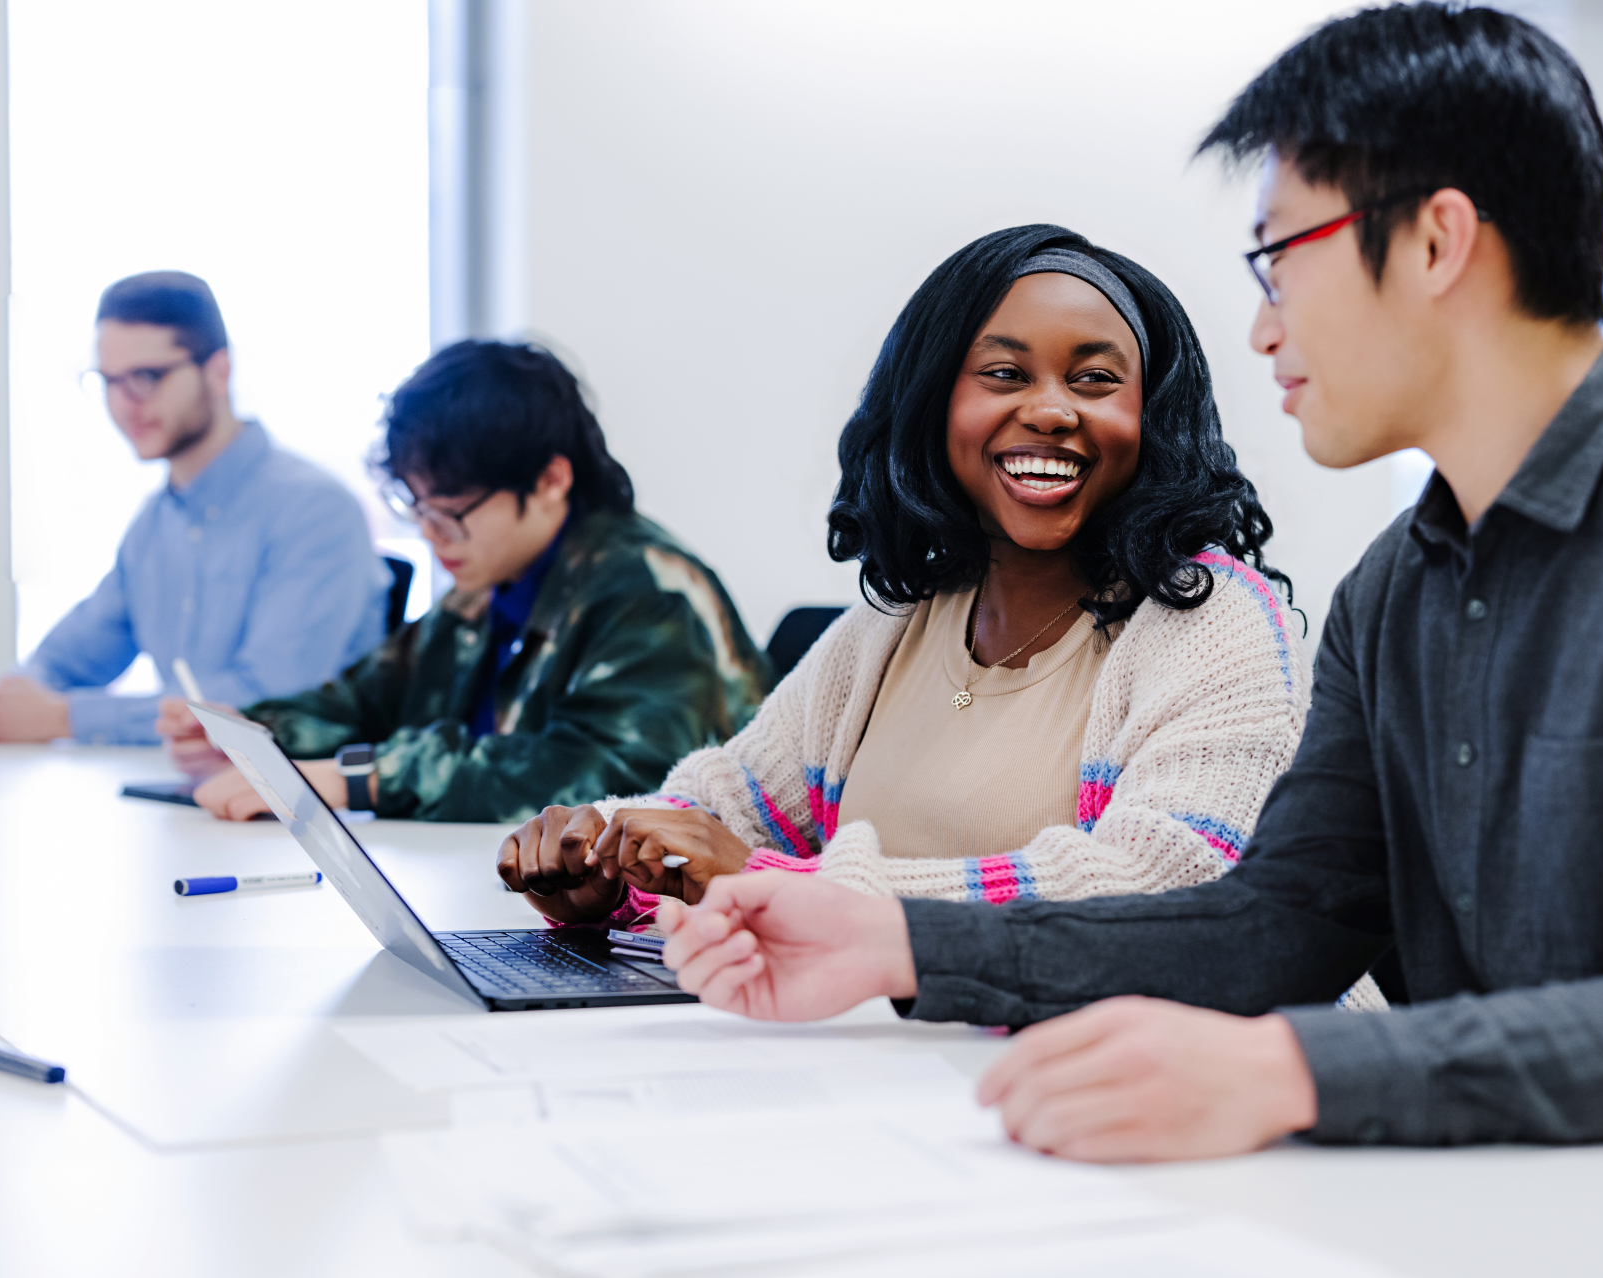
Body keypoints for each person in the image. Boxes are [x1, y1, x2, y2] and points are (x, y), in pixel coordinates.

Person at [651, 3, 1603, 1208]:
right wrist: (889, 935)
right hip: (1561, 1190)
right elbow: (1273, 927)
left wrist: (1289, 1070)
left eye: (1279, 257)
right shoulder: (1394, 591)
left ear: (1438, 241)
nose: (1263, 329)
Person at [497, 226, 1384, 1010]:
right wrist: (611, 859)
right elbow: (729, 806)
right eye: (1003, 373)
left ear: (1149, 415)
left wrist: (797, 891)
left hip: (1222, 1114)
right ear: (933, 404)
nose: (1049, 408)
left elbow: (1166, 890)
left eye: (1096, 379)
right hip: (943, 1089)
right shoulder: (892, 630)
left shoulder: (1213, 618)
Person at [160, 339, 773, 823]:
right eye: (418, 509)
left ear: (552, 480)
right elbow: (366, 700)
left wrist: (360, 781)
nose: (432, 536)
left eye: (451, 511)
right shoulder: (488, 587)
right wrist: (254, 734)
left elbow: (610, 774)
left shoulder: (648, 592)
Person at [0, 271, 386, 743]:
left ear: (219, 372)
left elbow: (267, 698)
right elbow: (64, 664)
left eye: (147, 377)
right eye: (109, 381)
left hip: (296, 805)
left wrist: (66, 718)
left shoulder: (315, 512)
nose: (125, 403)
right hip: (190, 795)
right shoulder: (155, 526)